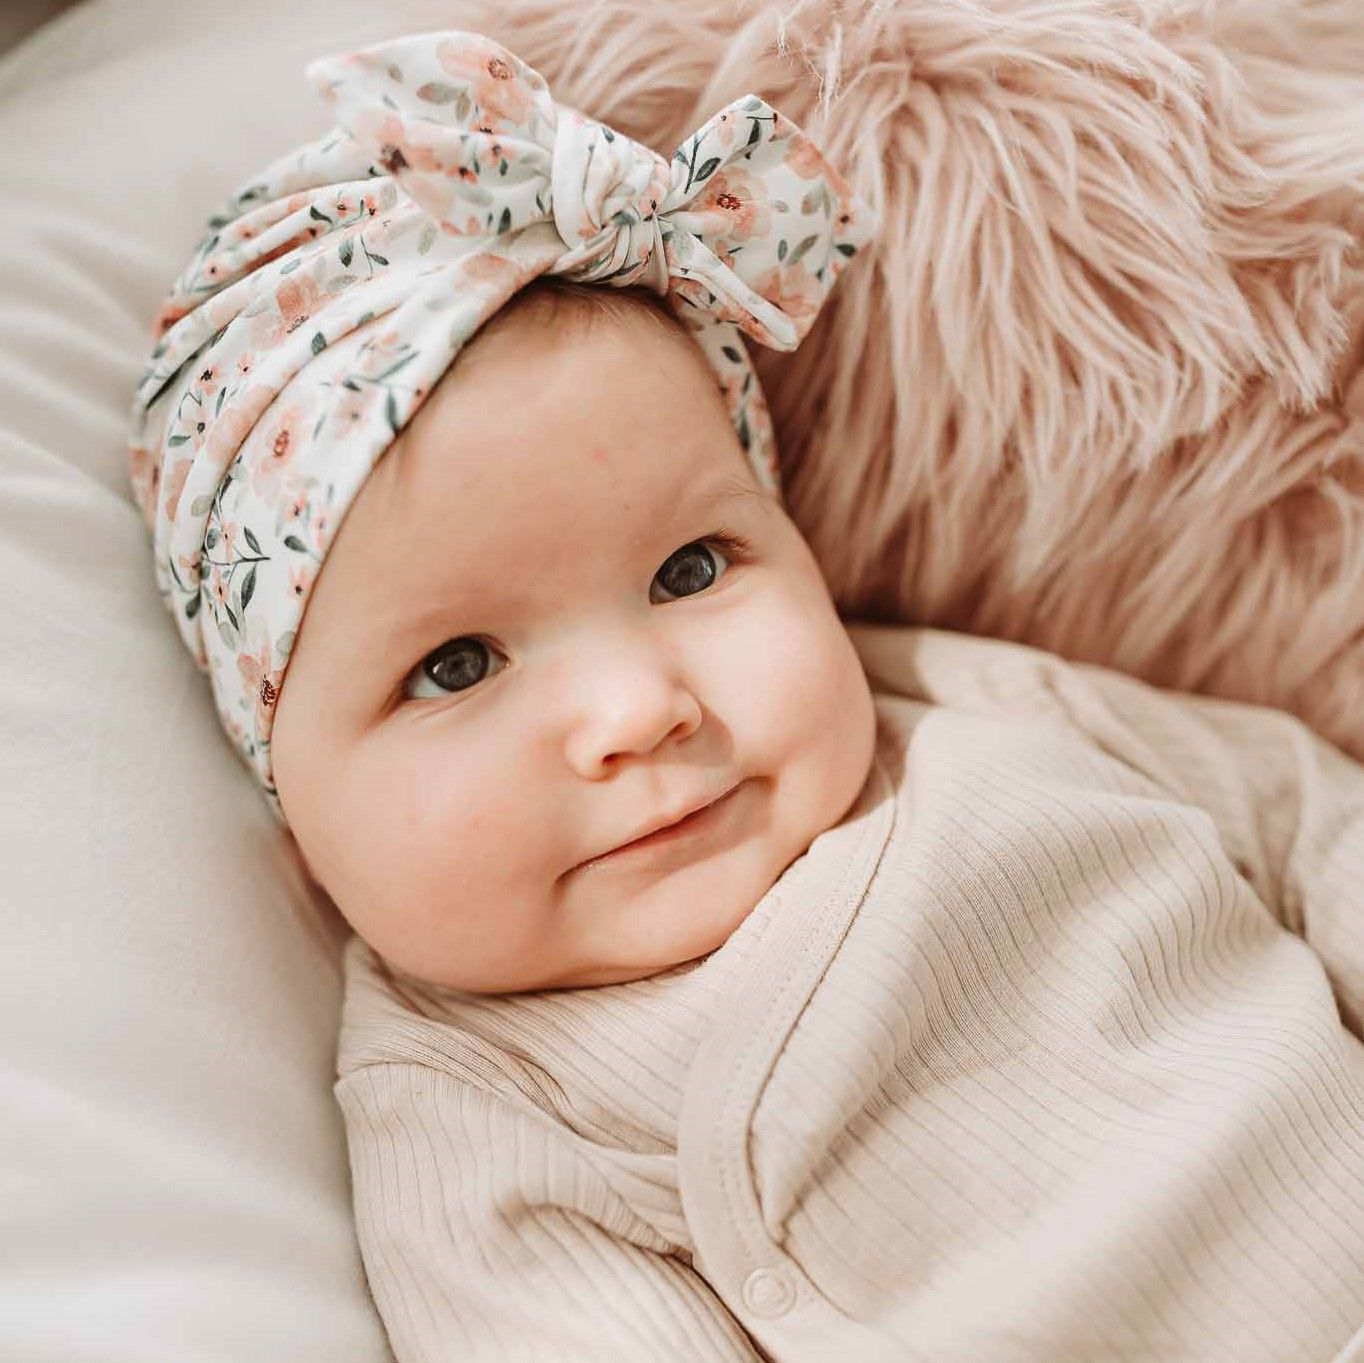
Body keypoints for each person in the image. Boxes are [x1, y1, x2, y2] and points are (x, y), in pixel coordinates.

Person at [129, 28, 1364, 1363]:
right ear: (284, 783)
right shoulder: (480, 1101)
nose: (639, 710)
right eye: (457, 666)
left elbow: (1304, 814)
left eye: (689, 568)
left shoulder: (953, 702)